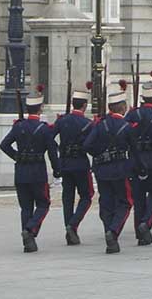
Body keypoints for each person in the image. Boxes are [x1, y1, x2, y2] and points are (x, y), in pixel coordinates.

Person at [83, 85, 141, 254]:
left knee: (106, 203)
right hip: (121, 170)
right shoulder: (127, 127)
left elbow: (87, 145)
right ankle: (113, 231)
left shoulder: (100, 125)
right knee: (125, 202)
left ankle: (109, 234)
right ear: (122, 107)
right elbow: (135, 151)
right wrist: (139, 168)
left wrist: (99, 155)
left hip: (102, 170)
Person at [0, 88, 59, 253]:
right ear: (40, 109)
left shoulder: (18, 127)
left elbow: (4, 145)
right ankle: (30, 230)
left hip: (21, 171)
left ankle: (28, 242)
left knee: (26, 208)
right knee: (43, 203)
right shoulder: (44, 129)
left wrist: (17, 156)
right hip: (37, 172)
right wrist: (57, 170)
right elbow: (53, 153)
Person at [125, 81, 152, 246]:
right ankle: (146, 223)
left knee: (139, 197)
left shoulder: (132, 114)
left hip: (135, 159)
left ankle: (139, 233)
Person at [53, 86, 93, 246]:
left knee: (67, 198)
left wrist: (60, 149)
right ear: (84, 105)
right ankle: (73, 224)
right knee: (86, 196)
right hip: (81, 164)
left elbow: (49, 137)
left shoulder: (62, 121)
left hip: (65, 163)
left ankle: (70, 231)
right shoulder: (87, 123)